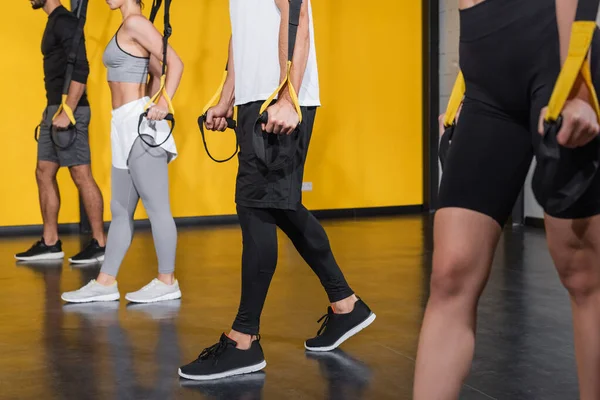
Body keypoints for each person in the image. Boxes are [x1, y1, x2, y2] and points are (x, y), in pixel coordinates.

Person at [178, 0, 375, 381]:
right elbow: (242, 35)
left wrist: (288, 96)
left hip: (279, 100)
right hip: (258, 98)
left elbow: (297, 18)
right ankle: (344, 303)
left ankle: (243, 340)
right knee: (278, 205)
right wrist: (226, 98)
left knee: (255, 208)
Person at [413, 0, 600, 399]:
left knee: (582, 270)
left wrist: (579, 84)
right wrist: (464, 80)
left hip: (556, 45)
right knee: (450, 271)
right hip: (483, 66)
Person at [61, 0, 184, 304]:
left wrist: (162, 104)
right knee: (120, 211)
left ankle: (167, 280)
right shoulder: (128, 25)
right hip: (123, 125)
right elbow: (155, 67)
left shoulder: (135, 23)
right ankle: (105, 282)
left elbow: (175, 63)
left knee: (157, 208)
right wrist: (154, 94)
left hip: (138, 125)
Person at [17, 0, 106, 264]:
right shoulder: (54, 21)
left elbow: (81, 68)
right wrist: (55, 109)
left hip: (71, 108)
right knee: (44, 171)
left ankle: (100, 243)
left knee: (81, 174)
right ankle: (50, 241)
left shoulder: (65, 21)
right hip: (54, 108)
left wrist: (68, 110)